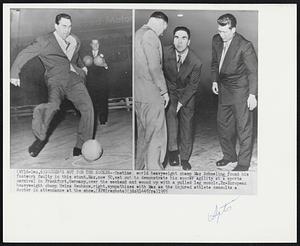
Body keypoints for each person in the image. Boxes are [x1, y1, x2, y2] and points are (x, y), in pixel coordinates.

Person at [10, 13, 94, 158]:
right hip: (56, 80)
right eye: (63, 26)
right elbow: (25, 53)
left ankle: (82, 145)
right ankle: (40, 137)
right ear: (56, 26)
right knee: (53, 106)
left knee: (88, 109)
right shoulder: (44, 41)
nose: (67, 30)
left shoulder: (75, 40)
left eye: (69, 26)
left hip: (74, 80)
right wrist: (14, 73)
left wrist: (82, 68)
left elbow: (75, 57)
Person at [211, 13, 258, 171]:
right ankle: (229, 156)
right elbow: (214, 63)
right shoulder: (216, 40)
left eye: (224, 31)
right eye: (219, 31)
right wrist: (214, 80)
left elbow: (253, 72)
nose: (221, 35)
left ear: (233, 29)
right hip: (223, 90)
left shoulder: (245, 45)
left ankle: (244, 163)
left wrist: (252, 95)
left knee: (243, 128)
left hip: (240, 91)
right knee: (223, 125)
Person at [163, 26, 202, 170]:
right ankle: (173, 151)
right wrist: (163, 92)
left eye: (183, 38)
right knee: (171, 116)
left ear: (189, 41)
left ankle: (185, 158)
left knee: (187, 124)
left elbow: (193, 86)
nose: (179, 42)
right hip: (170, 90)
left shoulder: (196, 61)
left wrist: (181, 102)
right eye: (176, 37)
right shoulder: (164, 52)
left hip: (187, 94)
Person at [134, 11, 169, 170]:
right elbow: (154, 67)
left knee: (143, 135)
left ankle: (139, 170)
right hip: (151, 94)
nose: (162, 33)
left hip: (138, 95)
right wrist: (164, 91)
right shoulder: (151, 35)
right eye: (164, 29)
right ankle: (155, 174)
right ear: (161, 23)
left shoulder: (137, 34)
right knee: (156, 135)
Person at [85, 39, 109, 137]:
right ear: (91, 45)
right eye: (93, 43)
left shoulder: (105, 53)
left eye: (97, 43)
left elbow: (110, 67)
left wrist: (105, 65)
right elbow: (83, 66)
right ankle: (93, 121)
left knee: (103, 101)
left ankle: (103, 120)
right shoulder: (86, 55)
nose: (95, 45)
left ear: (99, 44)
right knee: (92, 102)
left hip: (102, 83)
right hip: (91, 83)